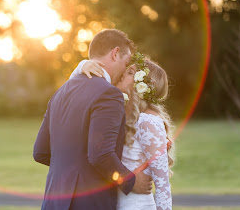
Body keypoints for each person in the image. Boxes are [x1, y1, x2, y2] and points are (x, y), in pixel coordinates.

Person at [33, 29, 153, 210]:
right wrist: (132, 181)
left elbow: (40, 152)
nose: (124, 72)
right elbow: (100, 155)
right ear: (115, 54)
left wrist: (73, 169)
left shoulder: (60, 92)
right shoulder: (109, 94)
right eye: (126, 62)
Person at [71, 54, 175, 210]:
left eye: (131, 73)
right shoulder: (118, 114)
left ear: (142, 87)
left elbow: (163, 186)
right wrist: (81, 66)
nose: (123, 73)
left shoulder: (148, 121)